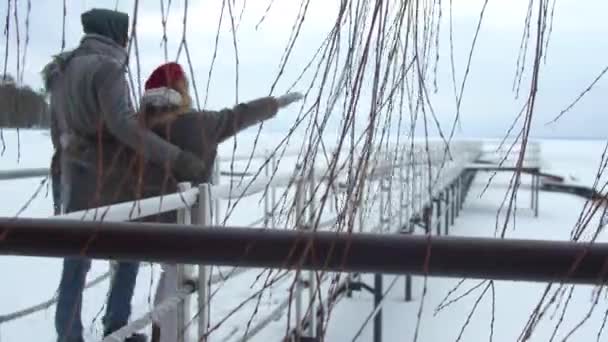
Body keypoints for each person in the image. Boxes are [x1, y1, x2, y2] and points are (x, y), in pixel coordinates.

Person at [42, 9, 208, 342]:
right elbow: (125, 127)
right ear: (116, 34)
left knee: (76, 260)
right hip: (110, 178)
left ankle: (69, 335)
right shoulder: (108, 69)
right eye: (126, 35)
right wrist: (176, 157)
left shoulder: (62, 69)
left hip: (74, 178)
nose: (128, 41)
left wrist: (61, 180)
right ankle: (116, 327)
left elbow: (56, 130)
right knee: (128, 248)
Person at [135, 62, 303, 342]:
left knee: (170, 274)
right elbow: (240, 115)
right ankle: (166, 336)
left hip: (144, 219)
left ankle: (159, 332)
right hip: (187, 220)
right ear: (180, 89)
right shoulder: (199, 124)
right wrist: (277, 103)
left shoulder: (137, 126)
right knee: (177, 278)